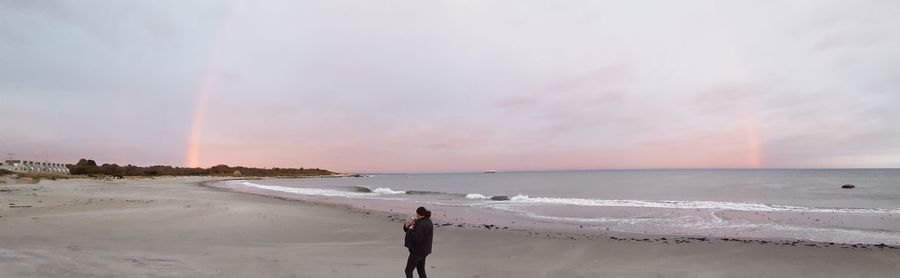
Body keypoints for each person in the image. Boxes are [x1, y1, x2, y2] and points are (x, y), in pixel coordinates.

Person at [402, 206, 433, 278]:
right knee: (421, 270)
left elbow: (416, 238)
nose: (416, 216)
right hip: (424, 250)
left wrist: (410, 229)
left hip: (417, 252)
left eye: (416, 214)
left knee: (408, 271)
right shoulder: (428, 221)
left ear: (418, 214)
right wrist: (407, 226)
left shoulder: (421, 224)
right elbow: (411, 231)